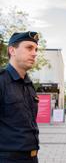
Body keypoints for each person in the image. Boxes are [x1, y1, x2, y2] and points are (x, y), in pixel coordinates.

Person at [0, 31, 40, 162]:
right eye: (29, 48)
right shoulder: (2, 81)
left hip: (32, 158)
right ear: (12, 50)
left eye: (36, 49)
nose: (34, 53)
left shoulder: (29, 84)